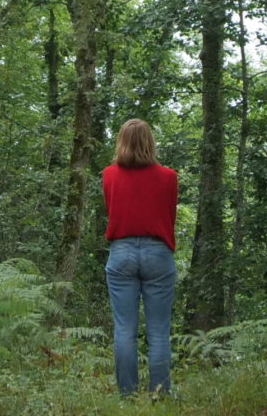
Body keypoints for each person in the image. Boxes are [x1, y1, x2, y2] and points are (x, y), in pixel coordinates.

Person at [102, 117, 179, 399]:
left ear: (121, 141)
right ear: (150, 142)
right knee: (159, 331)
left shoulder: (110, 175)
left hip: (121, 253)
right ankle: (159, 394)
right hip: (158, 253)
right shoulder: (169, 177)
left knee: (125, 331)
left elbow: (113, 209)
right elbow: (169, 216)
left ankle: (127, 396)